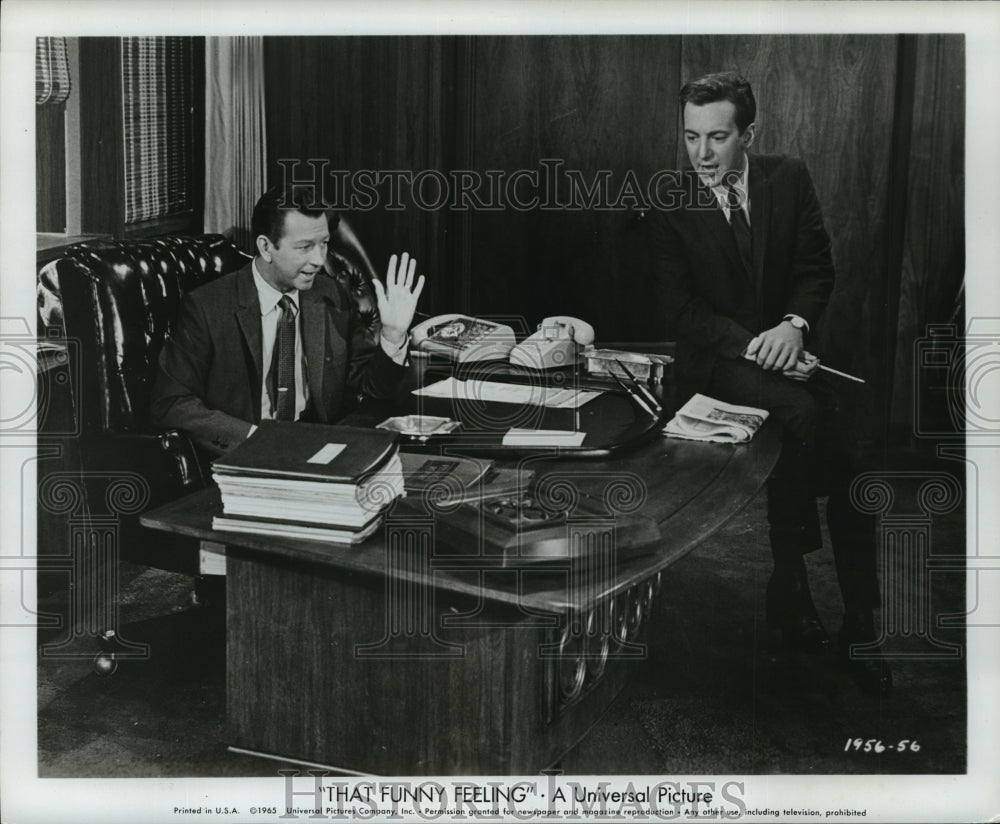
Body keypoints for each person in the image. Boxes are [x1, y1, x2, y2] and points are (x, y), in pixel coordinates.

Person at [650, 72, 890, 697]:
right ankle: (790, 580)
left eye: (718, 138)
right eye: (690, 137)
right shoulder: (670, 200)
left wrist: (794, 326)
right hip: (717, 360)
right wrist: (761, 345)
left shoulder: (789, 178)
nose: (702, 155)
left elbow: (817, 269)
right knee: (804, 417)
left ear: (748, 134)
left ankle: (860, 618)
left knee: (858, 446)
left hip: (788, 348)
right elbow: (679, 312)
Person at [151, 184, 425, 455]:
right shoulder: (208, 307)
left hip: (318, 451)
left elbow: (368, 389)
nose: (319, 260)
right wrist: (254, 441)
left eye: (324, 244)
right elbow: (172, 403)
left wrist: (392, 336)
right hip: (247, 457)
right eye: (305, 247)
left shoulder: (330, 294)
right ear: (266, 247)